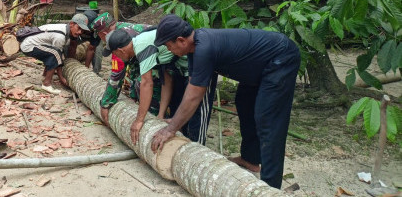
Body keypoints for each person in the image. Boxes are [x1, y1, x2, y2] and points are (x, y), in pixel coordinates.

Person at [150, 15, 300, 189]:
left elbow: (194, 96)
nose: (169, 50)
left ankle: (270, 188)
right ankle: (250, 159)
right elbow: (193, 87)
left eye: (169, 46)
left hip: (280, 58)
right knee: (244, 103)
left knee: (268, 121)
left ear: (181, 40)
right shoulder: (194, 49)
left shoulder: (204, 48)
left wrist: (170, 129)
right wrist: (175, 122)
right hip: (258, 67)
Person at [101, 24, 215, 145]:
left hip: (200, 68)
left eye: (115, 54)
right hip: (182, 72)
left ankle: (197, 150)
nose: (116, 57)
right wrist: (160, 114)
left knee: (196, 115)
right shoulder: (144, 43)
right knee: (179, 113)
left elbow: (147, 83)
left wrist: (139, 121)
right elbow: (166, 78)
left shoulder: (142, 48)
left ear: (121, 50)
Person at [20, 13, 88, 94]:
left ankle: (46, 74)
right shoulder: (60, 36)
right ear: (71, 24)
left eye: (82, 30)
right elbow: (57, 55)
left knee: (52, 52)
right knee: (55, 53)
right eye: (78, 28)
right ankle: (46, 84)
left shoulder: (65, 30)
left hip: (35, 44)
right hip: (29, 46)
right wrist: (61, 77)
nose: (80, 32)